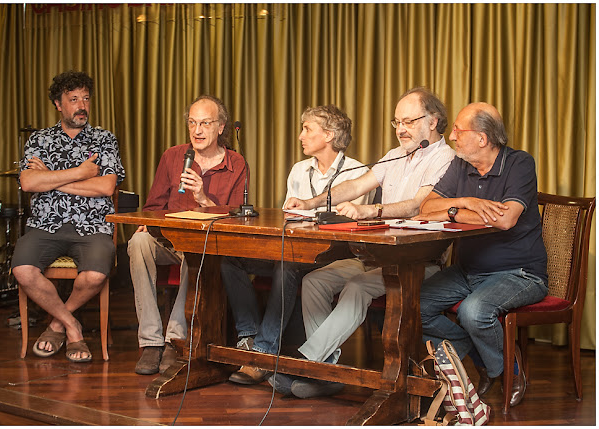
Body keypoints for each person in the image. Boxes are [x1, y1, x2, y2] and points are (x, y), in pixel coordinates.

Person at [277, 87, 455, 398]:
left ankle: (307, 363)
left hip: (418, 261)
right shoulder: (396, 154)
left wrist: (370, 210)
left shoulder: (446, 158)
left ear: (433, 121)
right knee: (314, 281)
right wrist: (310, 203)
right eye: (397, 122)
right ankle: (326, 371)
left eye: (409, 121)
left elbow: (418, 204)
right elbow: (356, 185)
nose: (401, 129)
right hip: (377, 255)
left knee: (357, 287)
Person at [223, 105, 375, 385]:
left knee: (287, 266)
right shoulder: (299, 170)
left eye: (307, 129)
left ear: (329, 135)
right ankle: (249, 335)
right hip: (291, 249)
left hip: (333, 257)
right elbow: (288, 217)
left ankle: (264, 353)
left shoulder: (357, 173)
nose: (300, 136)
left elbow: (348, 228)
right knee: (229, 258)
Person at [414, 102, 548, 408]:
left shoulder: (519, 164)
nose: (452, 137)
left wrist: (450, 213)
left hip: (520, 273)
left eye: (458, 131)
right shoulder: (461, 164)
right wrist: (466, 202)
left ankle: (510, 372)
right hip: (469, 271)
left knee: (473, 312)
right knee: (414, 305)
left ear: (482, 138)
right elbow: (425, 208)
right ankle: (480, 355)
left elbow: (505, 219)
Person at [11, 70, 125, 363]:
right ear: (58, 104)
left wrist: (50, 178)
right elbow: (28, 183)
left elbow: (105, 187)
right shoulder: (39, 139)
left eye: (85, 98)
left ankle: (56, 325)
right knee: (23, 270)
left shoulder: (104, 139)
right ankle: (73, 326)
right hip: (45, 225)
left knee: (95, 274)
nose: (81, 105)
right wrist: (80, 173)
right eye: (73, 99)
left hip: (93, 227)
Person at [129, 95, 246, 375]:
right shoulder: (173, 156)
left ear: (221, 127)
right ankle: (151, 342)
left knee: (192, 252)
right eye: (192, 123)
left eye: (205, 123)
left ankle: (175, 339)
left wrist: (203, 198)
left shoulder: (236, 163)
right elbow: (153, 207)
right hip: (169, 240)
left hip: (207, 246)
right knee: (138, 242)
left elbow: (237, 220)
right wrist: (147, 222)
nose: (197, 130)